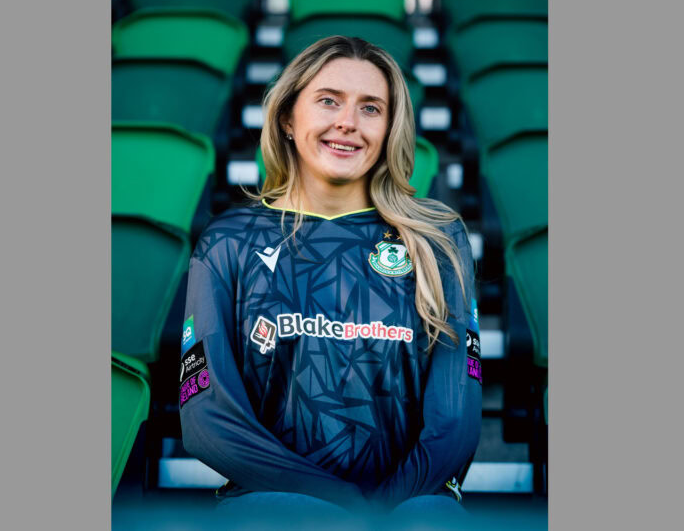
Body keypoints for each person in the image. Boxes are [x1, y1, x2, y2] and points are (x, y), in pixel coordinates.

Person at [177, 36, 482, 526]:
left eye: (371, 108)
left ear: (389, 128)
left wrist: (379, 511)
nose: (348, 122)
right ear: (286, 119)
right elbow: (209, 418)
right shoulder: (228, 242)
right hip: (273, 501)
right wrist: (338, 507)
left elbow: (455, 419)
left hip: (410, 502)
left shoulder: (438, 239)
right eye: (328, 101)